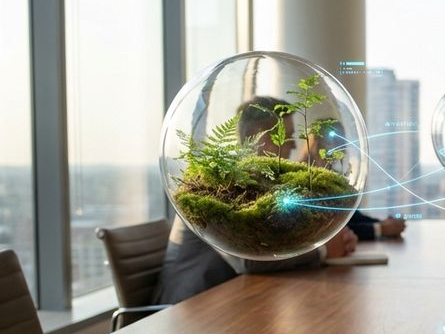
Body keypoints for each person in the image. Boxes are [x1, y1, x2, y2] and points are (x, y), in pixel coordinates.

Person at [153, 96, 357, 305]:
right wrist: (322, 251)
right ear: (256, 137)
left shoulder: (260, 186)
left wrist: (328, 238)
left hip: (231, 303)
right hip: (188, 309)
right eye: (286, 137)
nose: (295, 146)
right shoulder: (217, 185)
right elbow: (247, 260)